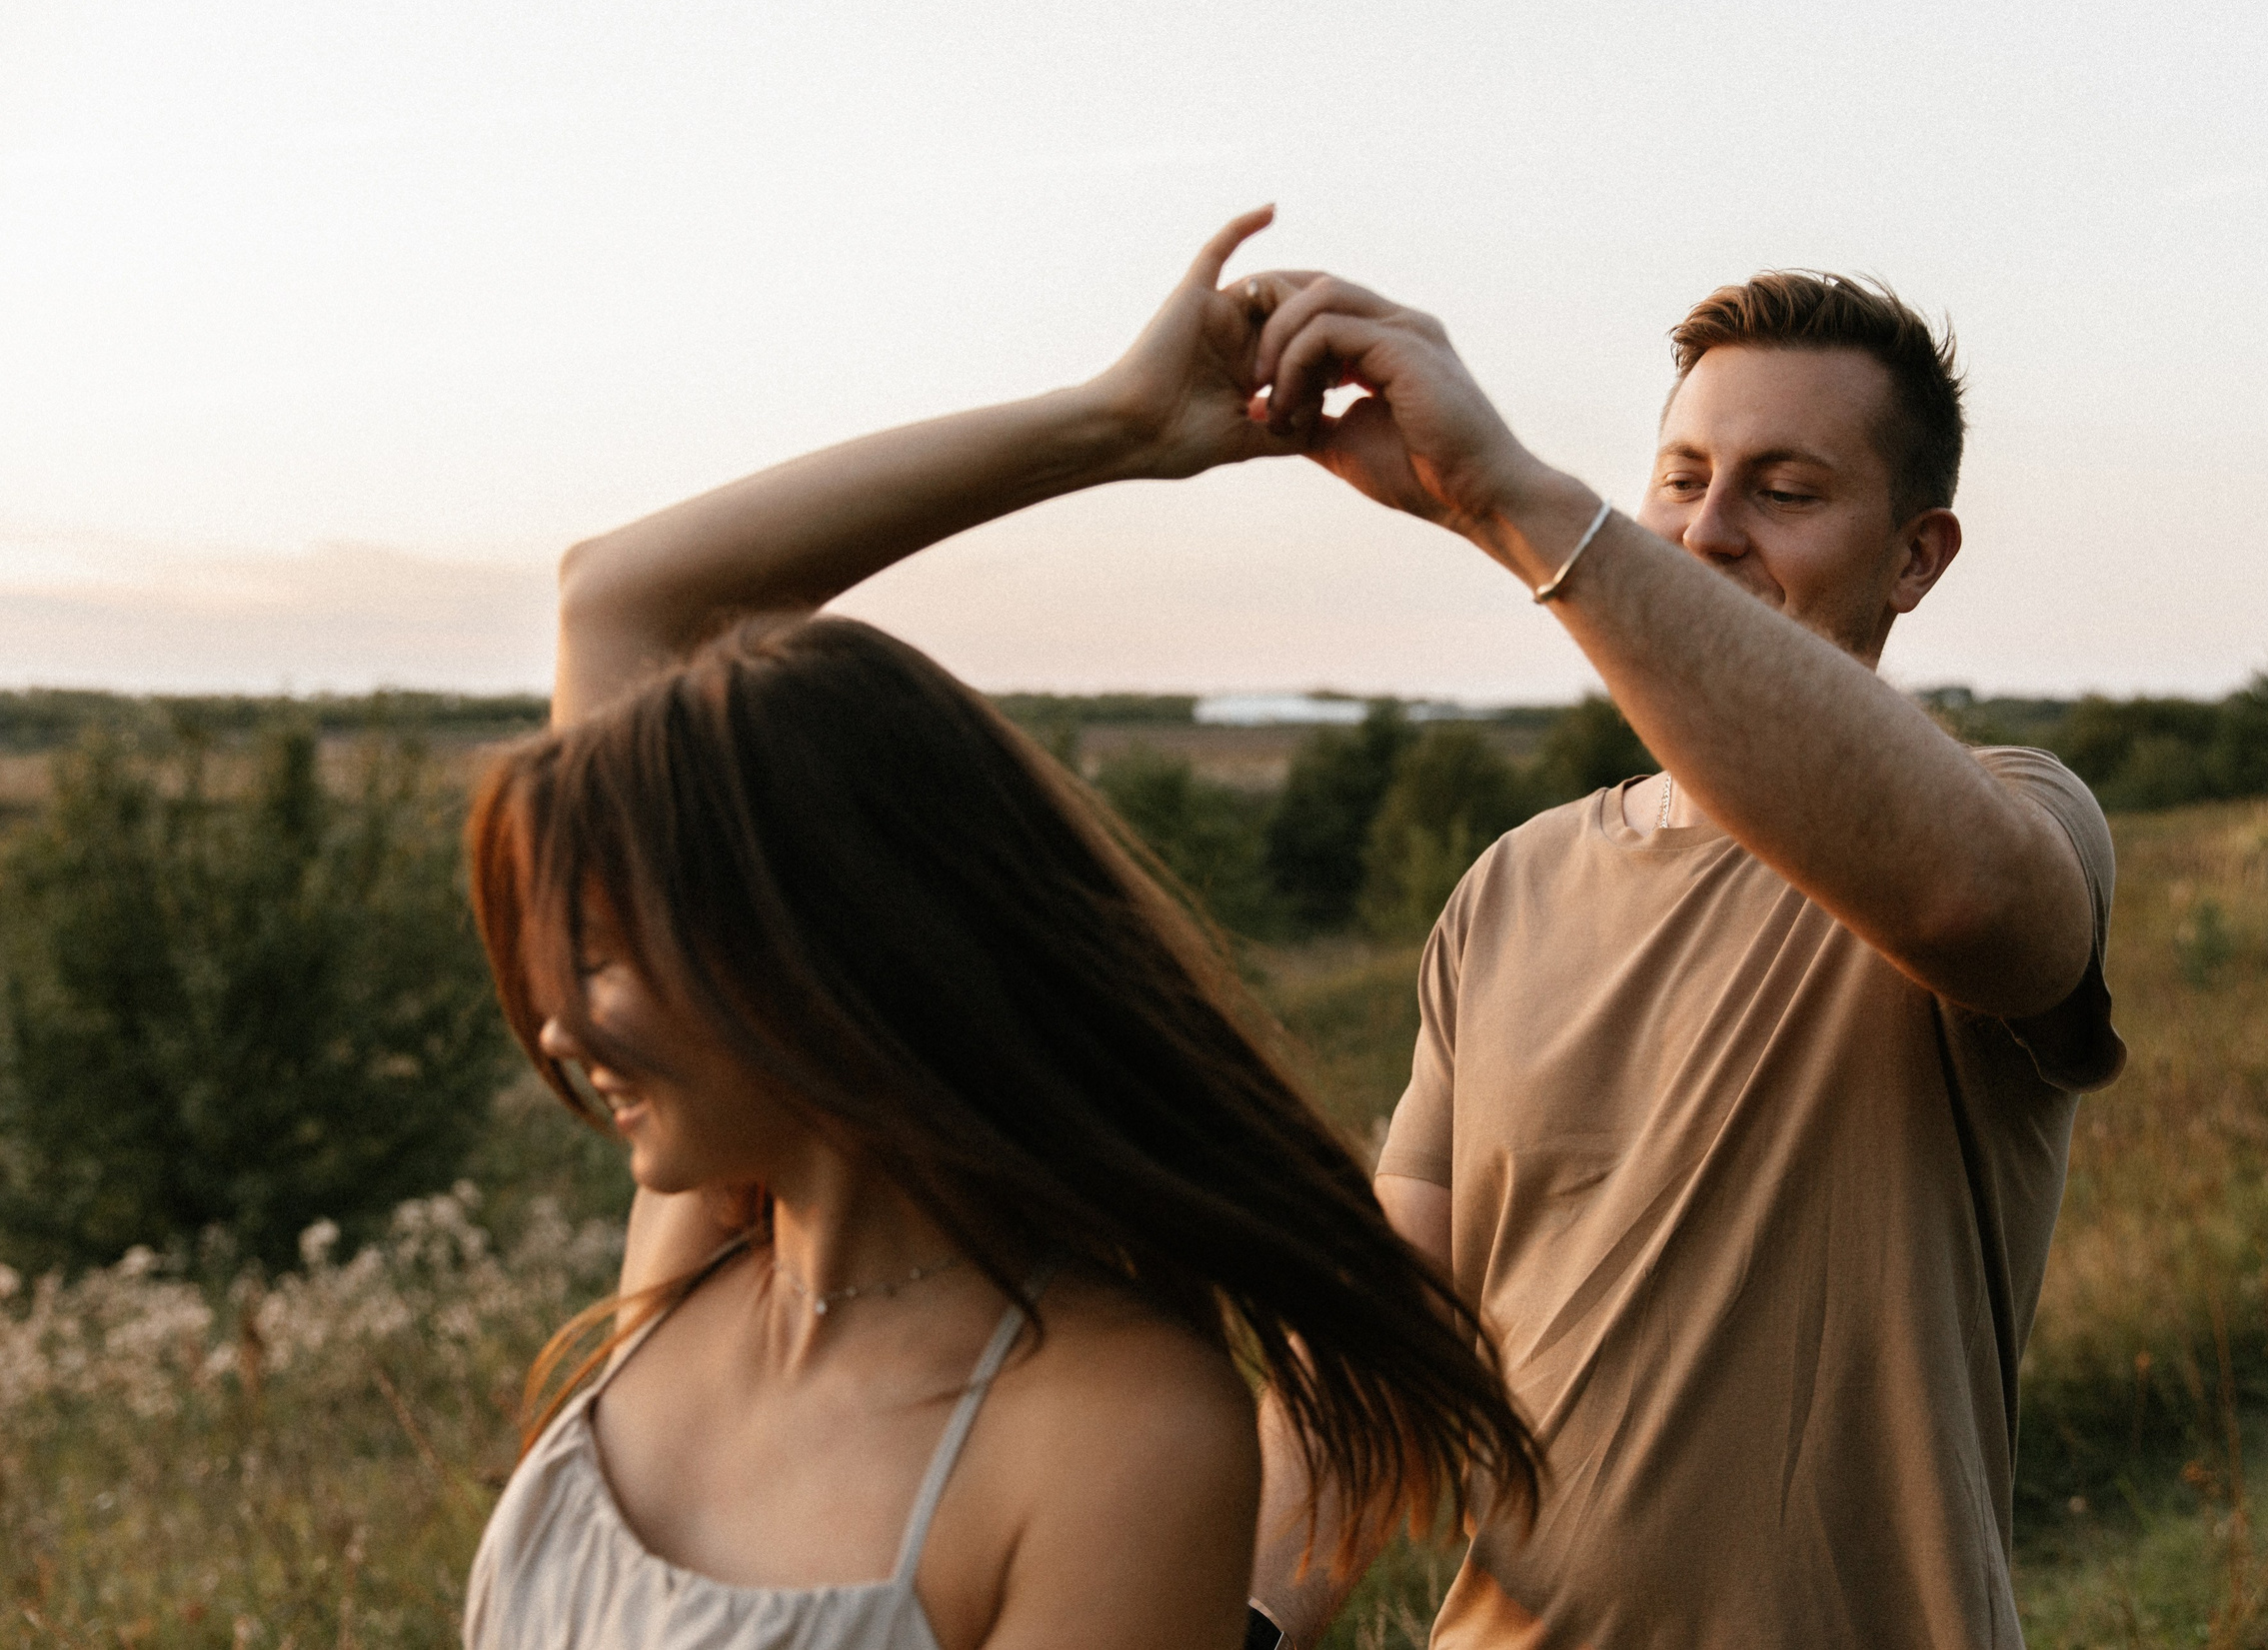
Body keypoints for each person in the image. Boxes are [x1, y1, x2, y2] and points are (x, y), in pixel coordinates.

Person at [459, 209, 1539, 1650]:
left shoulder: (1108, 1430)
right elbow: (619, 596)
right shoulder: (710, 1258)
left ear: (802, 955)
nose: (554, 1025)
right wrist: (1117, 422)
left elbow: (633, 602)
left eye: (604, 957)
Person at [1239, 268, 2126, 1647]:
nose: (1707, 532)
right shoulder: (1509, 887)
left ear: (1915, 556)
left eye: (1783, 491)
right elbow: (1380, 1354)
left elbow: (1967, 904)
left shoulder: (2019, 817)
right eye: (1681, 480)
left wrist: (1509, 501)